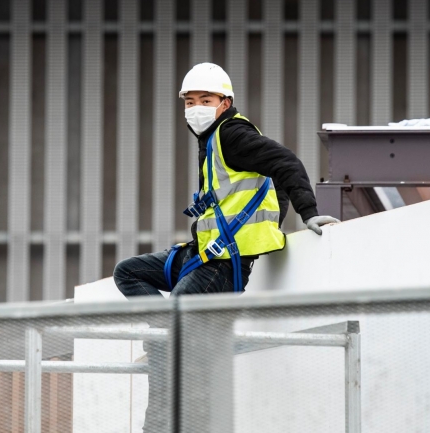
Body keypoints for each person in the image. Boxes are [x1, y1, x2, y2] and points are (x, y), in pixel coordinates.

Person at [112, 62, 339, 432]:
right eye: (189, 101)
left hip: (223, 264)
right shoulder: (211, 141)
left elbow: (286, 162)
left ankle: (163, 416)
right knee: (129, 272)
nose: (196, 108)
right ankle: (161, 335)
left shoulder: (231, 135)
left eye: (205, 100)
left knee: (174, 345)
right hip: (204, 253)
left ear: (224, 103)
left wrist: (308, 213)